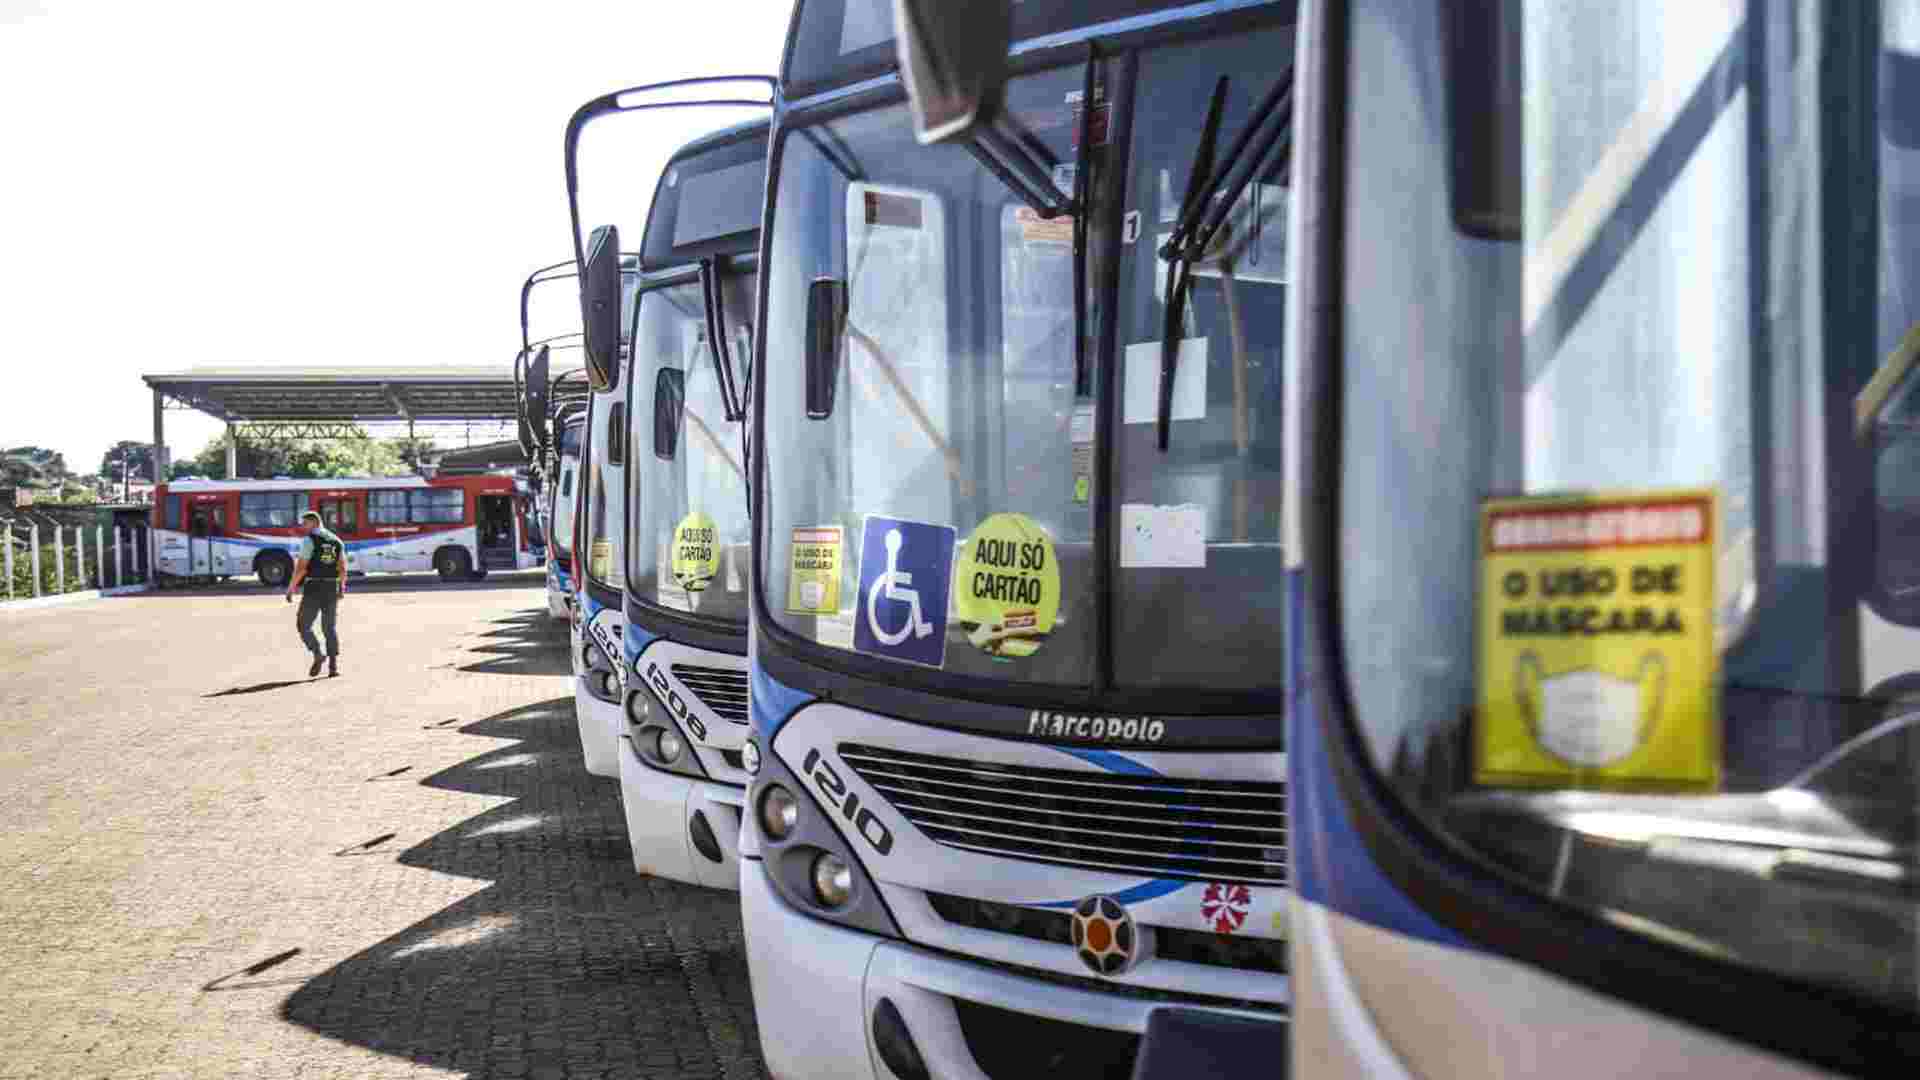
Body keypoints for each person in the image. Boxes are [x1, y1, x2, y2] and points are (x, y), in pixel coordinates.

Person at [286, 509, 347, 677]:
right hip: (332, 588)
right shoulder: (337, 541)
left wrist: (291, 588)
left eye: (305, 523)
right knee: (330, 627)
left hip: (314, 587)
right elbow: (342, 567)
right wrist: (342, 587)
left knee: (303, 624)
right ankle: (333, 668)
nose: (303, 527)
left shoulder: (309, 540)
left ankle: (318, 654)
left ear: (314, 522)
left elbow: (301, 567)